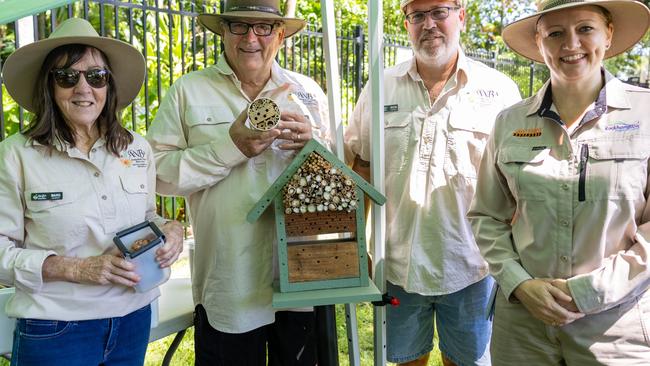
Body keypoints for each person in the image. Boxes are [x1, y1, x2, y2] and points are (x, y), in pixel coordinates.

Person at [145, 0, 329, 364]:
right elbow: (157, 174)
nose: (250, 38)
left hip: (299, 275)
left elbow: (339, 174)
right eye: (238, 26)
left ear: (279, 35)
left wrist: (315, 148)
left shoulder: (307, 92)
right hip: (228, 280)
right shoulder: (188, 91)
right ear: (223, 32)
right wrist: (230, 148)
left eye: (263, 27)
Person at [467, 0, 650, 364]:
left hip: (615, 328)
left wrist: (592, 291)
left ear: (609, 33)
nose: (571, 44)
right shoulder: (510, 123)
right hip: (523, 327)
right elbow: (486, 216)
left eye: (585, 28)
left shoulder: (646, 115)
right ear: (539, 42)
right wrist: (519, 283)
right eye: (555, 33)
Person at [344, 0, 521, 365]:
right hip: (397, 264)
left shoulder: (499, 91)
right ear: (407, 23)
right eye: (417, 16)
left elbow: (518, 186)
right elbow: (359, 167)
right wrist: (355, 243)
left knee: (465, 361)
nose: (429, 25)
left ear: (461, 17)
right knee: (407, 359)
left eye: (439, 12)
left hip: (473, 265)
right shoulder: (380, 86)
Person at [0, 17, 184, 365]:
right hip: (55, 327)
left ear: (108, 85)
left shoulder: (137, 148)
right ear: (49, 87)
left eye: (96, 76)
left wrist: (171, 230)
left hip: (133, 318)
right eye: (68, 77)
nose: (83, 88)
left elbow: (145, 219)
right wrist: (75, 269)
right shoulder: (16, 155)